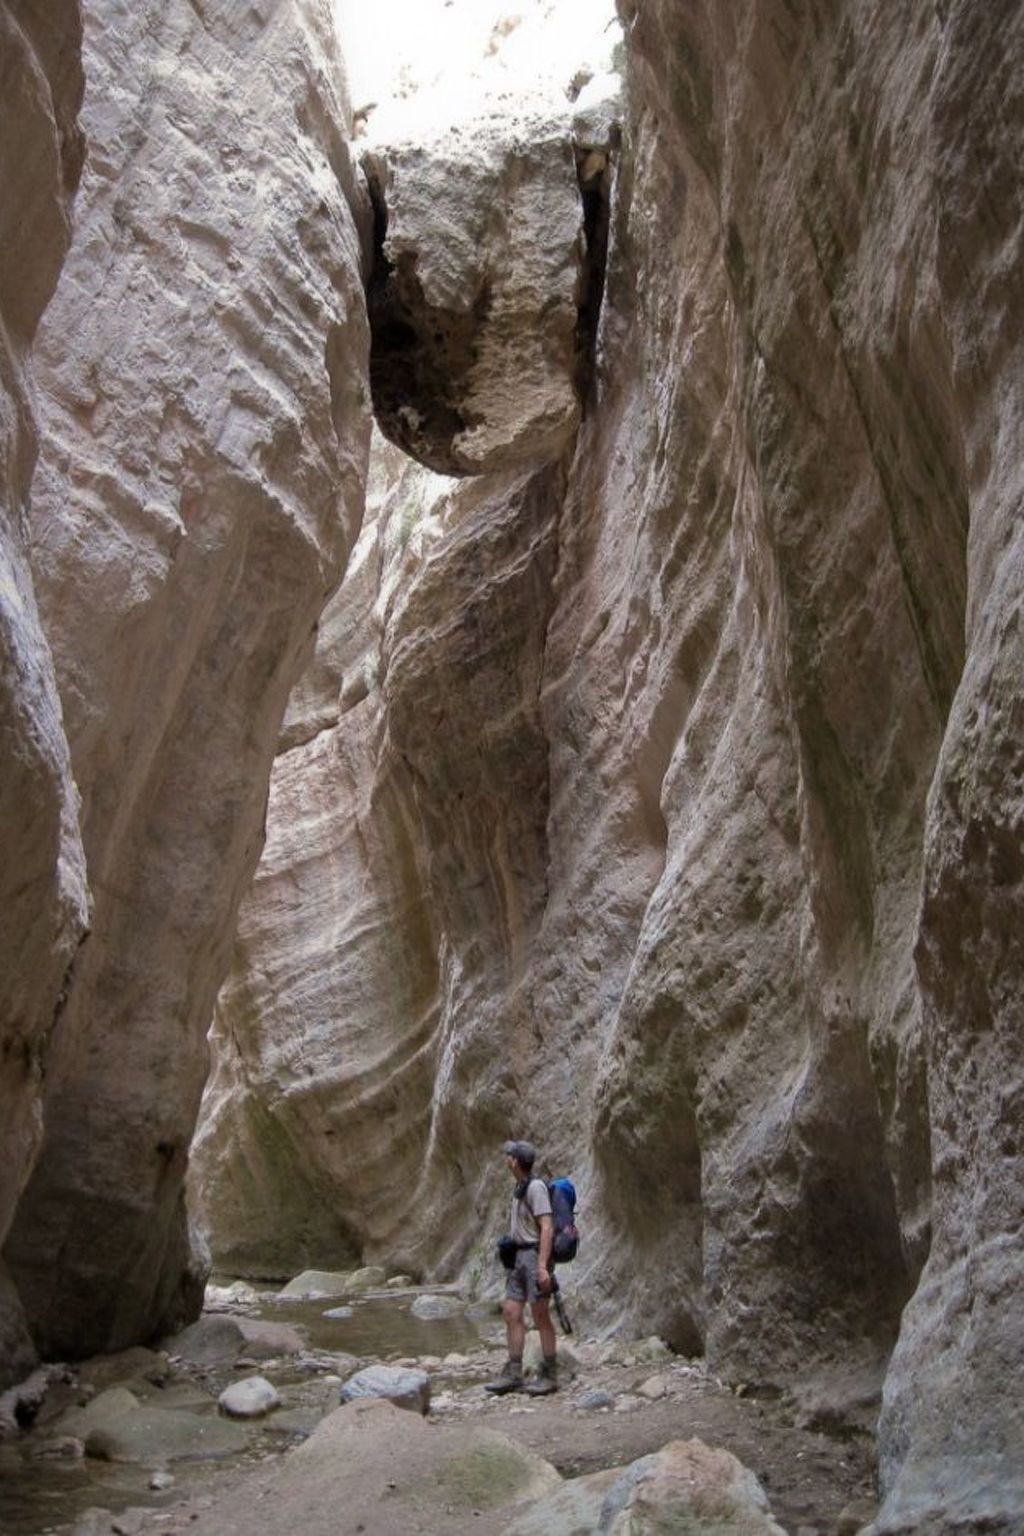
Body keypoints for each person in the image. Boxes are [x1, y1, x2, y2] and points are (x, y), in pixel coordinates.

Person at [485, 1139, 558, 1396]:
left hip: (535, 1256)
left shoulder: (536, 1188)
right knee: (511, 1312)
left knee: (540, 1315)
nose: (506, 1159)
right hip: (518, 1258)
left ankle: (550, 1373)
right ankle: (514, 1371)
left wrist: (542, 1267)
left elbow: (547, 1227)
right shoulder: (519, 1188)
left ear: (515, 1161)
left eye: (509, 1155)